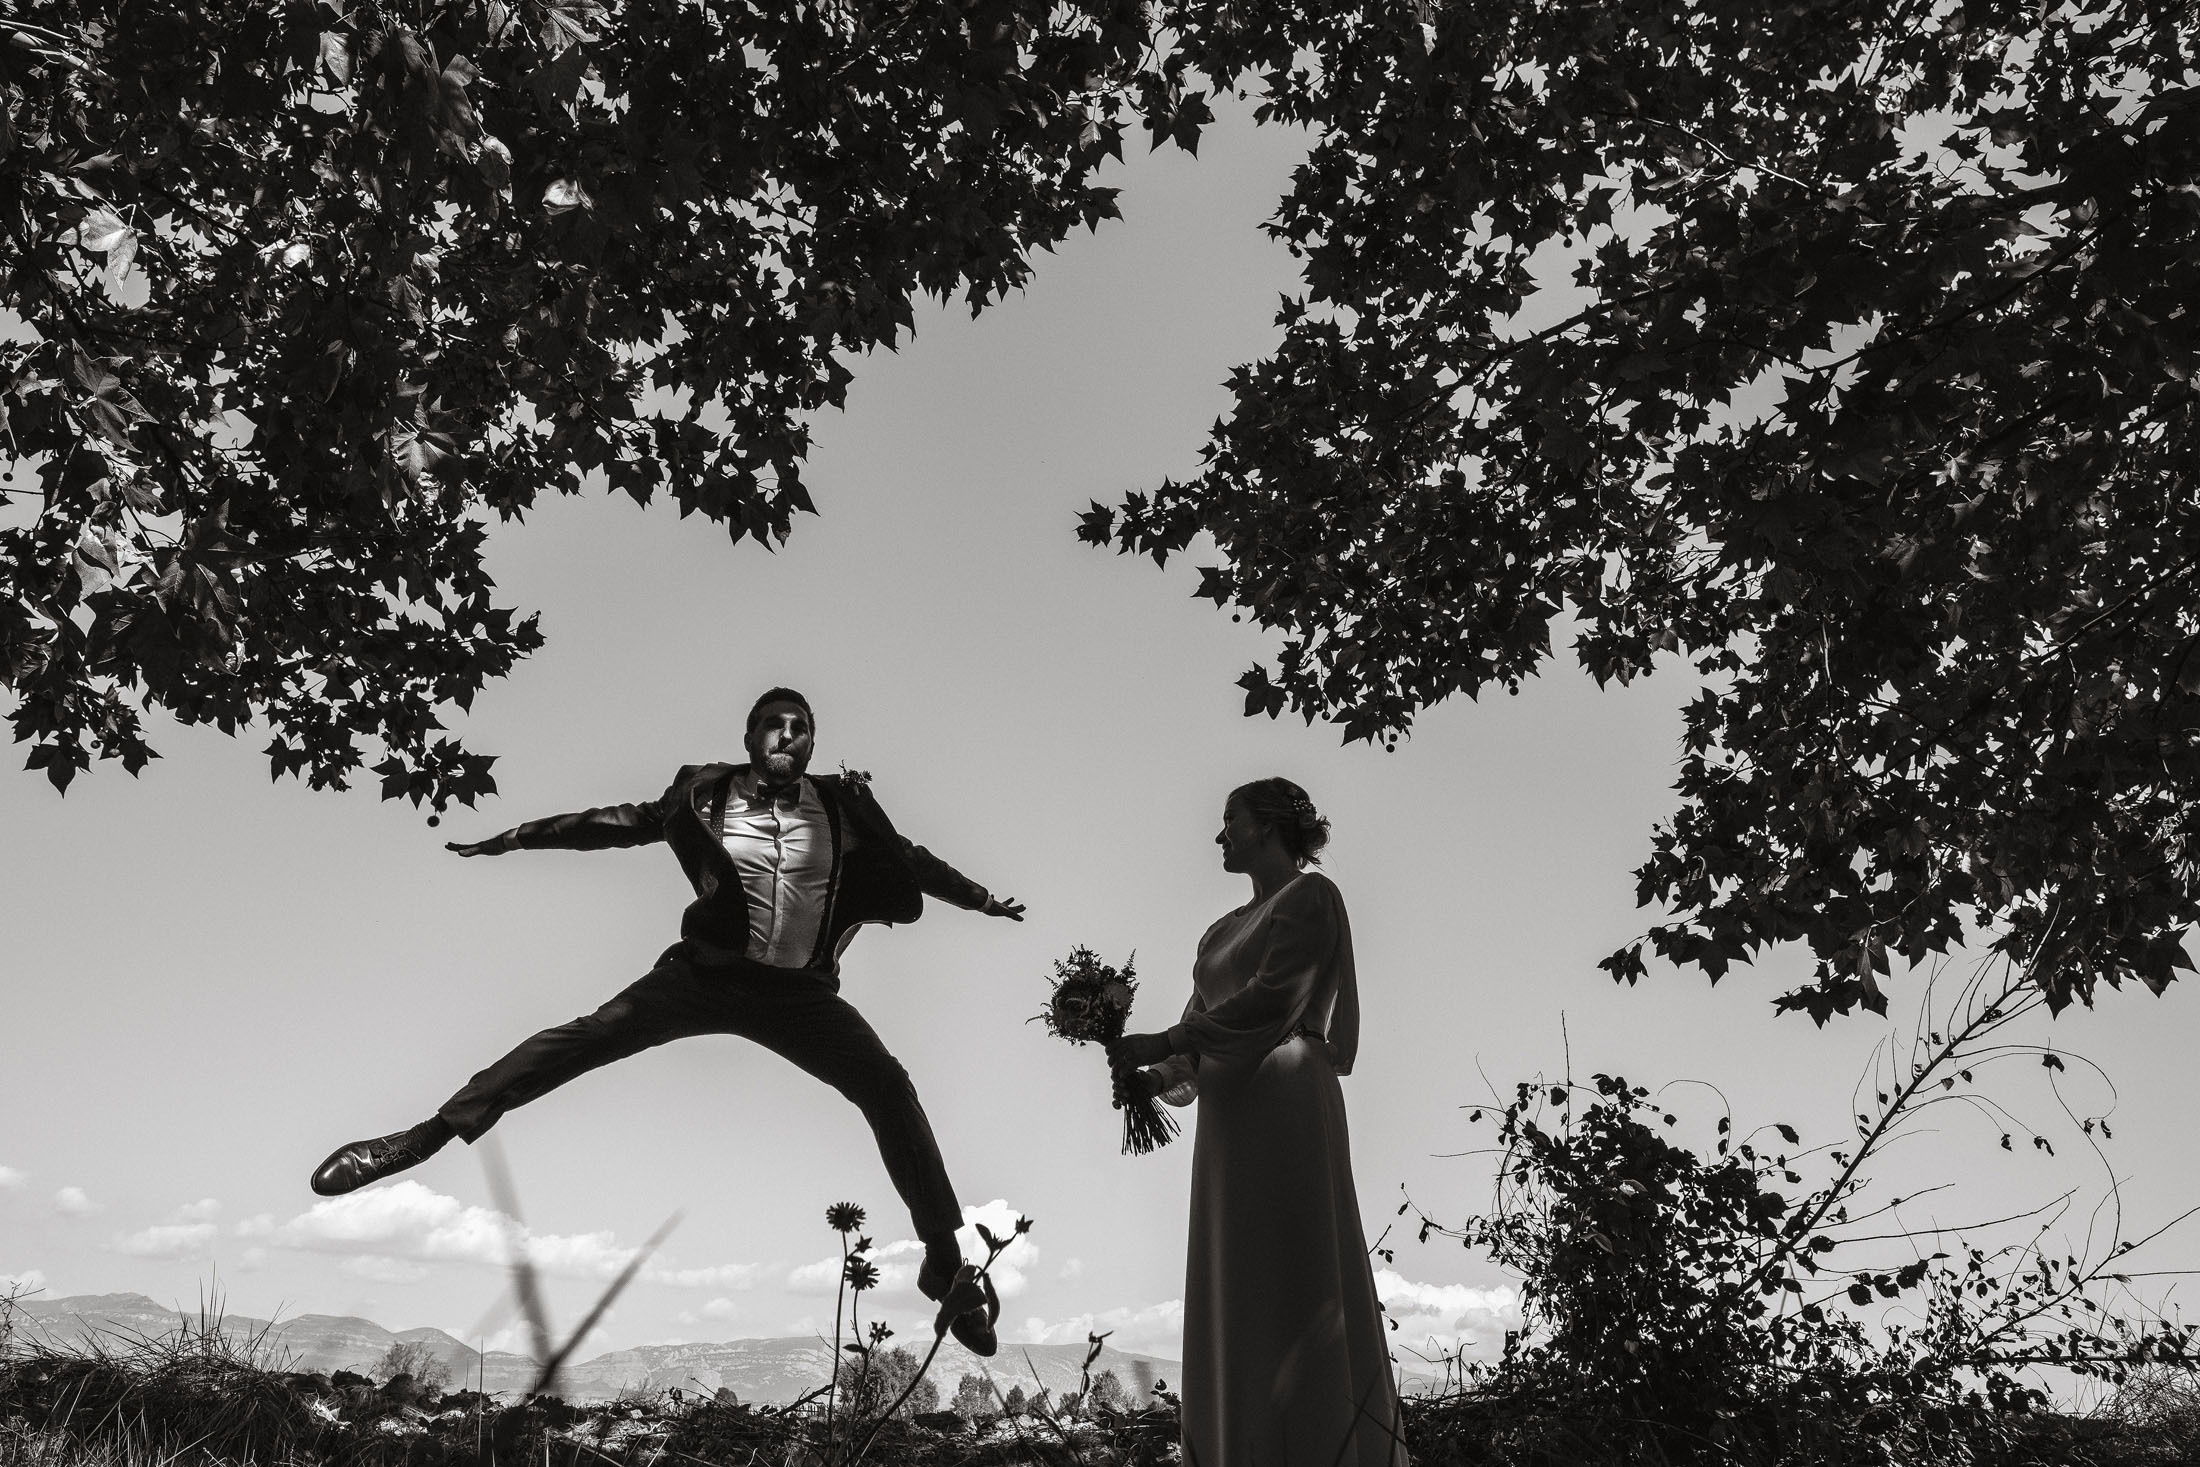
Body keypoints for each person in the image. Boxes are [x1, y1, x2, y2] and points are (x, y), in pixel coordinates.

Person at [308, 688, 1023, 1355]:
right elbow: (614, 825)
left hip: (799, 995)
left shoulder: (840, 807)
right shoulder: (702, 793)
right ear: (748, 735)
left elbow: (910, 861)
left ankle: (945, 1263)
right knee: (587, 1036)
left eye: (802, 725)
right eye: (774, 721)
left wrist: (981, 897)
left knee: (888, 1086)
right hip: (704, 975)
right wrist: (516, 838)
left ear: (812, 744)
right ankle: (421, 1137)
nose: (788, 732)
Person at [1108, 778, 1407, 1466]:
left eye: (1230, 820)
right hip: (1228, 1112)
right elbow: (1196, 1028)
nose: (1219, 834)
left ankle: (1318, 1442)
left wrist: (1164, 1044)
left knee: (1296, 1267)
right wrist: (1151, 1077)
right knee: (1236, 1276)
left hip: (1287, 1095)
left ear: (1269, 826)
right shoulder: (1219, 931)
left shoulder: (1312, 897)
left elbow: (1276, 999)